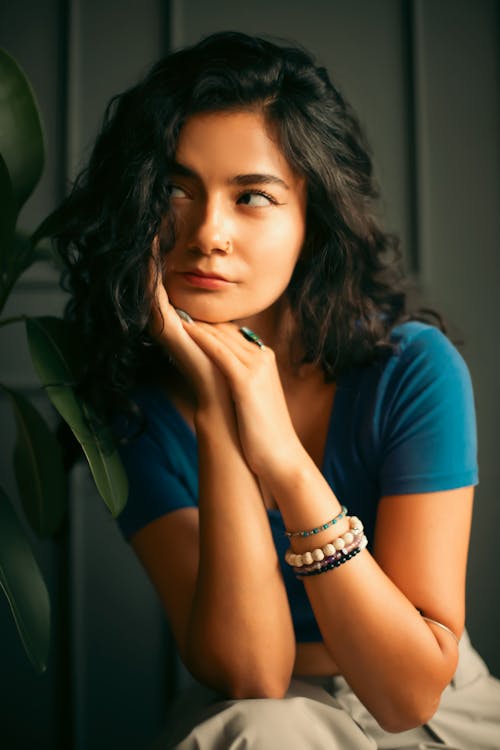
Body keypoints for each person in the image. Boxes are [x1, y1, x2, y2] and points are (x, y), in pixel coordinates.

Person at [52, 31, 500, 750]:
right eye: (174, 189)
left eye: (252, 196)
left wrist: (285, 460)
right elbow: (253, 670)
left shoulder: (413, 369)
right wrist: (219, 413)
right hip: (263, 713)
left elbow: (408, 690)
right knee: (259, 730)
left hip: (444, 709)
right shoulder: (129, 410)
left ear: (310, 220)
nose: (208, 234)